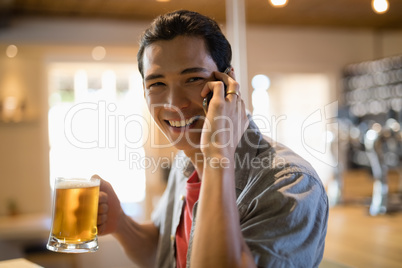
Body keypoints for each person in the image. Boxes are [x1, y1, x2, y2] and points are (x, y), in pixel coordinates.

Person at [94, 9, 328, 268]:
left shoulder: (290, 183)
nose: (174, 104)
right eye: (157, 84)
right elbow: (163, 255)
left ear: (228, 81)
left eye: (193, 78)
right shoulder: (187, 162)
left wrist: (218, 156)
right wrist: (121, 223)